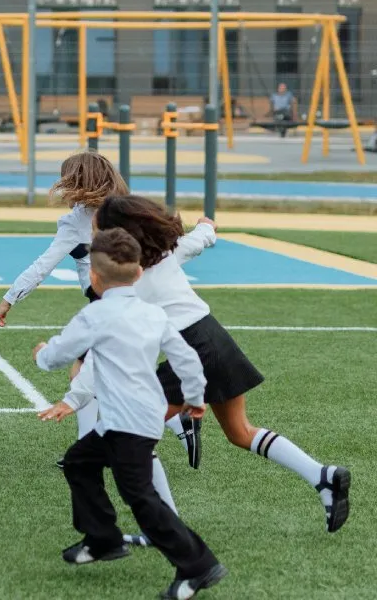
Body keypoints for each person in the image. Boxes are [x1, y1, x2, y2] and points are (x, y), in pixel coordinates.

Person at [96, 195, 352, 533]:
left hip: (194, 351)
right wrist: (206, 227)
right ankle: (323, 476)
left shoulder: (132, 278)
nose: (94, 232)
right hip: (215, 339)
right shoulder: (165, 255)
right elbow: (196, 241)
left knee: (132, 437)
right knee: (240, 432)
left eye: (98, 226)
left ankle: (164, 526)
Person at [35, 228, 227, 600]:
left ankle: (198, 564)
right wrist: (195, 396)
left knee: (140, 497)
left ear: (94, 277)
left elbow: (58, 355)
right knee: (79, 462)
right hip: (137, 418)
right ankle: (103, 539)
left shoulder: (95, 315)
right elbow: (185, 356)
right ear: (140, 273)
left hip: (128, 424)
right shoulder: (152, 314)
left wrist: (41, 353)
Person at [0, 152, 200, 469]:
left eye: (67, 182)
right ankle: (173, 424)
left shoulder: (78, 220)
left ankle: (95, 450)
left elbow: (43, 265)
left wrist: (10, 298)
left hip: (107, 301)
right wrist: (204, 234)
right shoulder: (127, 208)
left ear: (79, 184)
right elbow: (171, 244)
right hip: (139, 296)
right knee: (110, 373)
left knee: (85, 372)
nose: (62, 190)